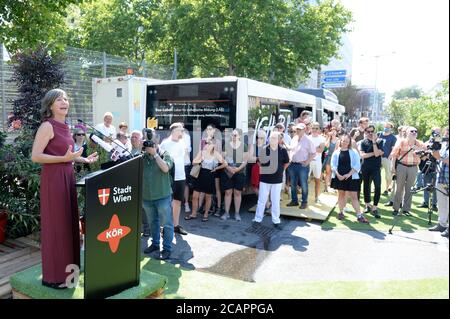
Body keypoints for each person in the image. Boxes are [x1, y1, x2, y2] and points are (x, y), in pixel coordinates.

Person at [31, 89, 98, 289]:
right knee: (57, 226)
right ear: (50, 105)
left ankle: (70, 272)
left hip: (67, 177)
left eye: (66, 99)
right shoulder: (46, 126)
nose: (64, 102)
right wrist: (63, 159)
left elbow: (67, 154)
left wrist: (83, 158)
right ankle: (54, 276)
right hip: (53, 179)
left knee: (69, 223)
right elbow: (36, 156)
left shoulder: (66, 127)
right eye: (58, 99)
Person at [141, 130, 174, 260]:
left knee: (167, 224)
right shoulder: (142, 157)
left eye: (152, 140)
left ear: (158, 141)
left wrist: (155, 154)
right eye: (147, 140)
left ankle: (167, 248)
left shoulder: (164, 154)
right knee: (152, 222)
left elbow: (165, 168)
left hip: (163, 196)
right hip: (147, 197)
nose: (149, 143)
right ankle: (155, 244)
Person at [253, 131, 290, 228]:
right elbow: (259, 162)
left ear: (278, 140)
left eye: (274, 138)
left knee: (275, 200)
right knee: (262, 200)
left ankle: (276, 220)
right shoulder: (264, 149)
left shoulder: (283, 150)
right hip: (265, 179)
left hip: (277, 180)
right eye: (270, 138)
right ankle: (257, 219)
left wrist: (281, 170)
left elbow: (287, 162)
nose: (272, 139)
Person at [185, 137, 227, 222]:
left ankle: (206, 214)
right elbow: (193, 162)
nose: (207, 145)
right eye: (206, 143)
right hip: (200, 174)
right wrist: (200, 159)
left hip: (210, 175)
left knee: (208, 197)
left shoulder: (216, 154)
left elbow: (225, 164)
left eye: (209, 143)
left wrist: (216, 168)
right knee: (194, 196)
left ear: (213, 145)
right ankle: (193, 214)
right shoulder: (202, 152)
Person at [330, 134, 367, 223]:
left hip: (352, 177)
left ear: (349, 142)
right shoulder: (336, 152)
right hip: (339, 177)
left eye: (347, 141)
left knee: (354, 196)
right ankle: (341, 212)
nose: (344, 143)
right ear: (340, 141)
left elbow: (357, 165)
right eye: (343, 141)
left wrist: (348, 174)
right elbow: (333, 165)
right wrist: (338, 175)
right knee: (341, 195)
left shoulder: (353, 152)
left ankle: (359, 215)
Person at [160, 123, 189, 235]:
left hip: (181, 176)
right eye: (180, 130)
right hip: (169, 177)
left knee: (177, 202)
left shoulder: (182, 142)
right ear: (173, 131)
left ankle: (176, 226)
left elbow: (184, 157)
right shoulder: (165, 143)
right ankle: (164, 227)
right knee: (166, 203)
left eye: (182, 130)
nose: (182, 132)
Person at [390, 127, 426, 216]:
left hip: (413, 167)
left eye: (415, 131)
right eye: (412, 131)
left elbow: (424, 157)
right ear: (406, 133)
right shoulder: (401, 142)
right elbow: (394, 155)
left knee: (409, 189)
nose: (414, 132)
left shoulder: (420, 143)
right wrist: (392, 167)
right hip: (401, 166)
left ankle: (406, 209)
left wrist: (419, 151)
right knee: (399, 189)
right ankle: (396, 208)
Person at [220, 128, 248, 221]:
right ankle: (226, 213)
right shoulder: (227, 145)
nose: (233, 137)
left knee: (237, 193)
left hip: (239, 172)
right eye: (232, 135)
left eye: (235, 135)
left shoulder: (243, 146)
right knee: (228, 193)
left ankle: (237, 213)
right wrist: (228, 168)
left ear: (239, 136)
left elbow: (245, 161)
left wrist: (237, 169)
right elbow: (222, 158)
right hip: (227, 172)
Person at [287, 123, 316, 209]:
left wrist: (307, 162)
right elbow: (291, 149)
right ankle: (294, 201)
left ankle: (304, 202)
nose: (298, 131)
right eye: (297, 129)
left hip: (302, 165)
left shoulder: (308, 140)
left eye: (300, 129)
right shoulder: (294, 138)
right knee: (293, 184)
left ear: (304, 130)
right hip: (293, 164)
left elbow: (313, 153)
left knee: (303, 184)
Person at [359, 125, 384, 218]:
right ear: (365, 132)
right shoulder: (363, 142)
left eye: (372, 131)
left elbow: (378, 154)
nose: (370, 133)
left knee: (377, 186)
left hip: (376, 168)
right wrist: (374, 153)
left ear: (375, 131)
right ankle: (367, 205)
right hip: (365, 167)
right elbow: (363, 155)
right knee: (366, 186)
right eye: (368, 131)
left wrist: (374, 142)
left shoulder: (380, 141)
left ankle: (375, 207)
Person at [429, 127, 449, 237]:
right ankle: (442, 224)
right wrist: (434, 147)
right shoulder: (444, 145)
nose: (447, 135)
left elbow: (444, 159)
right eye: (446, 132)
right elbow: (436, 157)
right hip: (441, 178)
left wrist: (439, 157)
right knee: (441, 204)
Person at [377, 122, 397, 196]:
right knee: (376, 173)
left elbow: (393, 149)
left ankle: (387, 188)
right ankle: (376, 188)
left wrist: (389, 158)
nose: (386, 128)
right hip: (377, 158)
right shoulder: (379, 134)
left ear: (391, 128)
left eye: (388, 127)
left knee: (388, 175)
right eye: (385, 126)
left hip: (386, 158)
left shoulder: (393, 138)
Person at [308, 122, 326, 203]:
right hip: (308, 161)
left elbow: (321, 149)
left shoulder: (322, 138)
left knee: (317, 180)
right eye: (313, 128)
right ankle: (305, 197)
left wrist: (311, 149)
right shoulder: (307, 138)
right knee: (305, 180)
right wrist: (316, 148)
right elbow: (306, 150)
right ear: (311, 128)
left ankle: (317, 197)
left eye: (316, 128)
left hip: (318, 162)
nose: (314, 130)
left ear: (319, 129)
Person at [323, 127, 339, 192]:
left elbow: (336, 149)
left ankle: (333, 186)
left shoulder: (338, 140)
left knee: (334, 173)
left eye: (334, 131)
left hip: (335, 157)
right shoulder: (328, 139)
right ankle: (326, 187)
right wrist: (329, 137)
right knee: (328, 173)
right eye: (332, 131)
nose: (333, 132)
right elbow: (326, 147)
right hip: (329, 157)